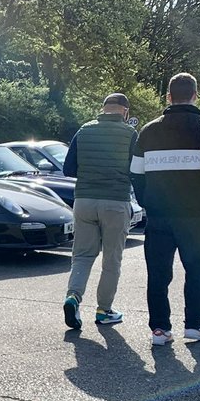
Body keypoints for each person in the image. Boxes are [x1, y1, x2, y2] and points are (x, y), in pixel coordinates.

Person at [130, 73, 200, 346]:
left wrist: (146, 200)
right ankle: (195, 326)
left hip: (159, 215)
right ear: (196, 95)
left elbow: (136, 173)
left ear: (168, 96)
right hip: (196, 215)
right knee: (198, 269)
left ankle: (160, 330)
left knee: (158, 273)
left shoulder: (149, 131)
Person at [60, 92, 140, 330]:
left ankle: (73, 297)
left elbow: (68, 169)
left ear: (103, 108)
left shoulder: (84, 130)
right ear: (125, 111)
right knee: (111, 260)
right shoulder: (130, 134)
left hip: (84, 200)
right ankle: (104, 310)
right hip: (115, 201)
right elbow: (136, 169)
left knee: (82, 256)